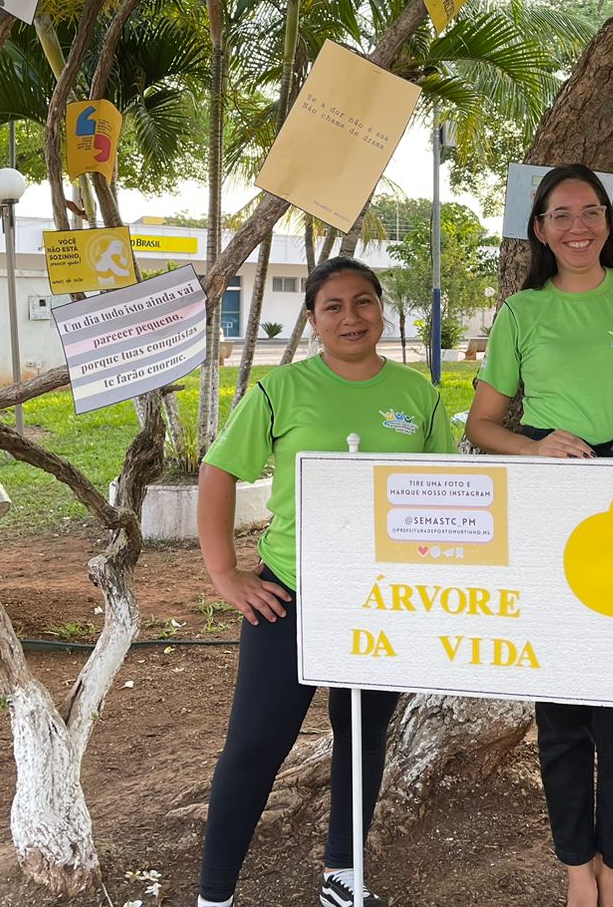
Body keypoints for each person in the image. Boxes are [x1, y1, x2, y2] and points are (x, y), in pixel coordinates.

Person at [465, 164, 613, 907]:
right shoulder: (521, 313)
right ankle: (577, 869)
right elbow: (480, 423)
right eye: (561, 215)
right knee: (562, 711)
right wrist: (534, 447)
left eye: (591, 212)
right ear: (539, 231)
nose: (578, 226)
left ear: (608, 221)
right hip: (553, 512)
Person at [196, 256, 456, 907]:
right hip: (292, 592)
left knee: (362, 737)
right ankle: (213, 894)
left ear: (381, 312)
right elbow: (220, 471)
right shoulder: (280, 391)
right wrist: (226, 574)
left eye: (363, 302)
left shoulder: (418, 397)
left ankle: (343, 878)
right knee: (255, 745)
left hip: (385, 599)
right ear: (313, 320)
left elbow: (447, 497)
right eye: (333, 306)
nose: (351, 316)